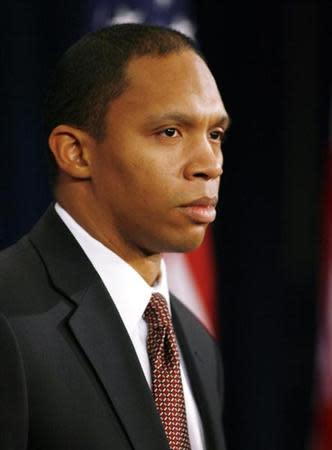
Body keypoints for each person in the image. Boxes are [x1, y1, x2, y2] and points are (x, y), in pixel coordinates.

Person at [0, 23, 230, 450]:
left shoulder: (196, 343)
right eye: (170, 132)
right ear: (76, 152)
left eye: (215, 134)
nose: (210, 164)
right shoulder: (8, 318)